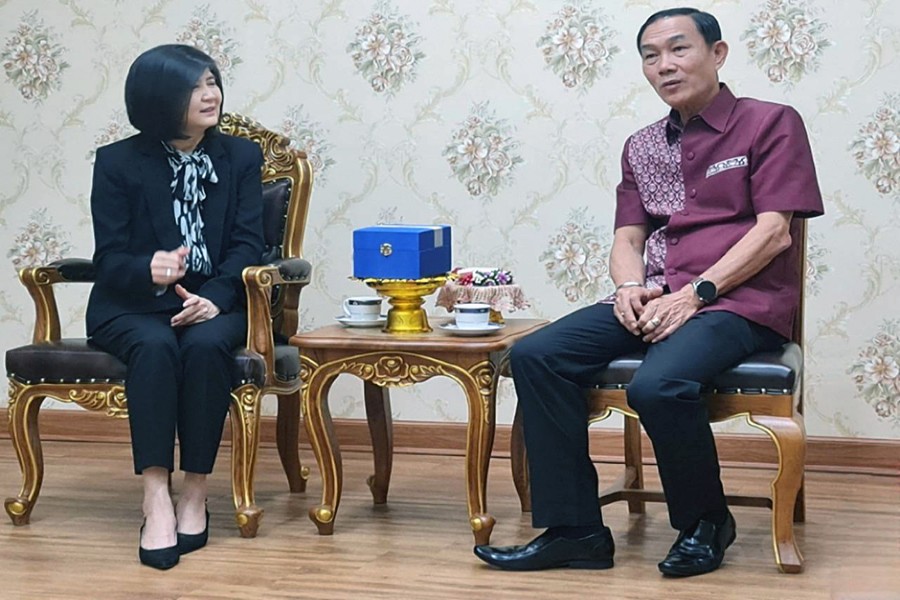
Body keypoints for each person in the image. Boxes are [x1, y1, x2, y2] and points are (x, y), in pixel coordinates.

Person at [474, 7, 824, 577]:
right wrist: (629, 287)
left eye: (679, 49)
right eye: (651, 55)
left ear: (717, 54)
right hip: (660, 293)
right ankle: (576, 531)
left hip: (739, 303)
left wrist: (696, 294)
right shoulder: (642, 146)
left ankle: (706, 522)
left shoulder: (770, 123)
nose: (665, 65)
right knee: (537, 355)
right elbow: (629, 236)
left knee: (658, 385)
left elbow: (773, 232)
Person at [86, 44, 264, 569]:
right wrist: (150, 268)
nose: (210, 95)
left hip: (217, 300)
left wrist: (215, 298)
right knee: (156, 345)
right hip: (134, 306)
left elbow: (248, 245)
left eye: (212, 82)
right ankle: (155, 495)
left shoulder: (241, 157)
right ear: (159, 98)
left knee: (206, 346)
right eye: (194, 87)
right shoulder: (118, 162)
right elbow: (108, 258)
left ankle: (195, 491)